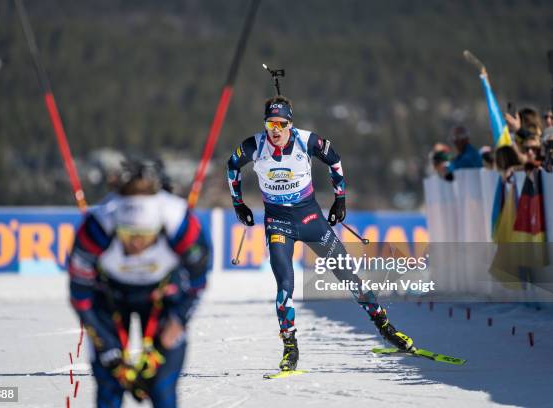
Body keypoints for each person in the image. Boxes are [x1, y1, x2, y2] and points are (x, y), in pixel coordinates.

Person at [226, 95, 413, 372]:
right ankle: (290, 346)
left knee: (349, 276)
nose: (275, 130)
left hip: (311, 219)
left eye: (281, 123)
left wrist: (340, 199)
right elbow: (232, 166)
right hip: (278, 223)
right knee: (285, 286)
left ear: (290, 123)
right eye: (270, 124)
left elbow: (335, 161)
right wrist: (238, 203)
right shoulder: (255, 145)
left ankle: (385, 327)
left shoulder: (307, 140)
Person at [68, 159, 209, 408]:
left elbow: (197, 281)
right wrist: (106, 346)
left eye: (144, 236)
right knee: (110, 386)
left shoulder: (178, 222)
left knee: (161, 387)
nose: (136, 245)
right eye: (128, 236)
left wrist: (176, 323)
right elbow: (80, 295)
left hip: (162, 293)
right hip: (111, 293)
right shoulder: (98, 226)